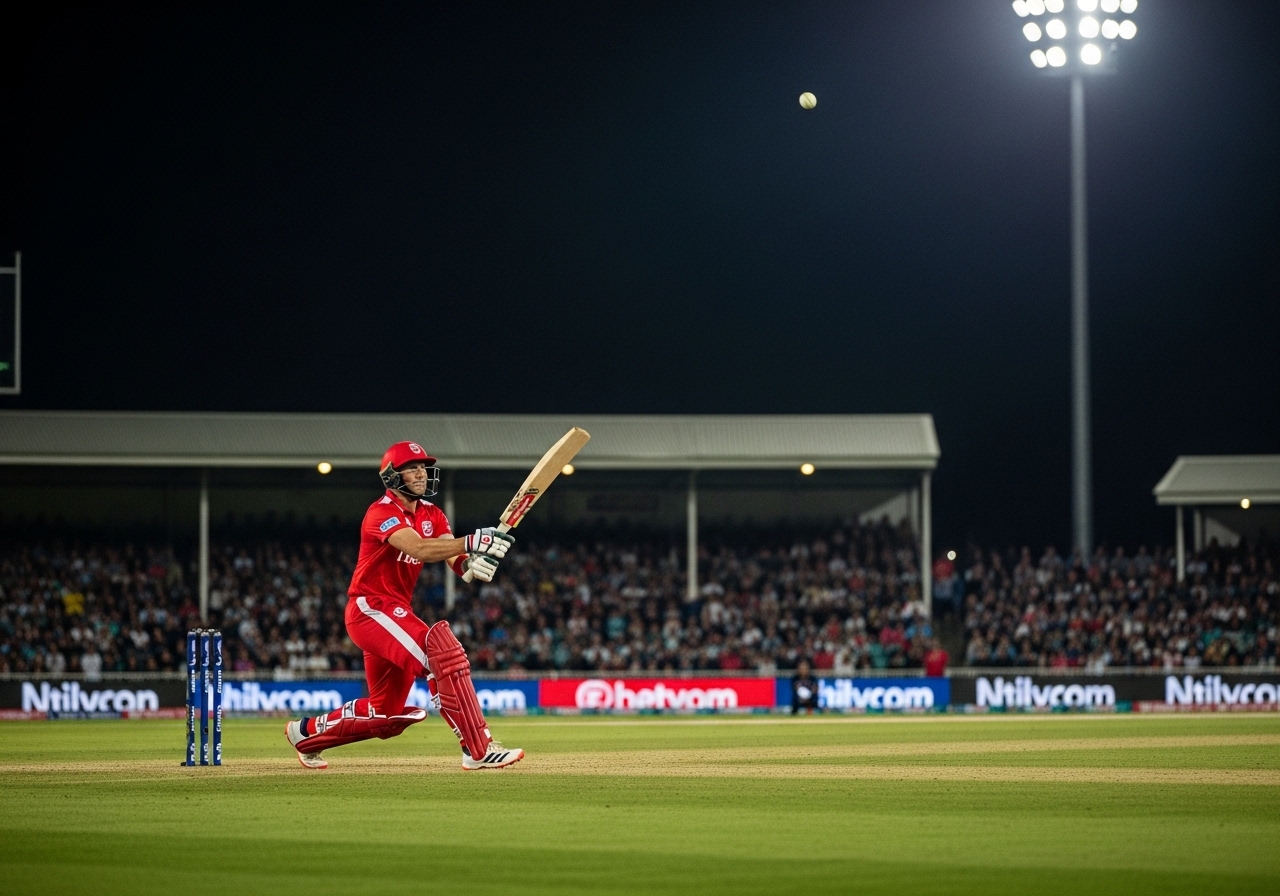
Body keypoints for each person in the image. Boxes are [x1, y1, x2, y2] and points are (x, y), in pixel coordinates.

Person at [284, 440, 524, 771]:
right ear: (393, 476)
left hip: (393, 612)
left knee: (385, 716)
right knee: (440, 654)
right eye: (412, 468)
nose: (421, 474)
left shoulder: (432, 513)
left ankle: (305, 734)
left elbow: (450, 554)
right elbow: (420, 548)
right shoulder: (380, 512)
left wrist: (471, 564)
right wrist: (472, 540)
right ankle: (478, 748)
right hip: (370, 609)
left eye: (423, 467)